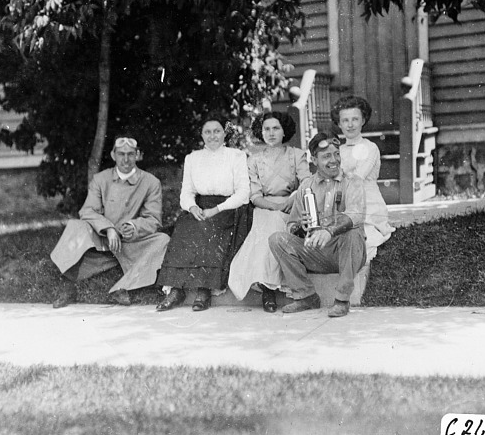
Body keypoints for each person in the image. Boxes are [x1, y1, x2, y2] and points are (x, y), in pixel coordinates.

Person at [50, 137, 170, 308]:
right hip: (103, 237)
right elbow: (88, 210)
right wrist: (108, 228)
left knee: (162, 239)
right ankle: (67, 283)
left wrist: (134, 226)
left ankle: (123, 287)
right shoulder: (101, 179)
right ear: (113, 155)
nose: (126, 159)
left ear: (138, 155)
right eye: (121, 154)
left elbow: (153, 219)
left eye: (130, 154)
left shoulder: (151, 182)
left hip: (130, 240)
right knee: (76, 225)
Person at [155, 113, 250, 312]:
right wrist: (192, 207)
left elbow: (243, 193)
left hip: (228, 208)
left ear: (225, 133)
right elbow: (186, 192)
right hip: (200, 207)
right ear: (201, 134)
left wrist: (217, 209)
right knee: (186, 227)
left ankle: (204, 289)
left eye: (217, 131)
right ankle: (175, 290)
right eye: (207, 132)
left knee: (209, 229)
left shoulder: (237, 156)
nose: (212, 136)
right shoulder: (193, 158)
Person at [269, 132, 366, 318]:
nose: (334, 160)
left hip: (347, 252)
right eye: (326, 156)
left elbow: (356, 215)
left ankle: (342, 299)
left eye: (336, 154)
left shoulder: (353, 181)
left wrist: (329, 231)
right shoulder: (306, 186)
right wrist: (300, 227)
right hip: (318, 253)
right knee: (277, 240)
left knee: (352, 232)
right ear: (313, 159)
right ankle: (306, 296)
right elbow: (291, 225)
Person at [228, 111, 310, 312]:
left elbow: (307, 181)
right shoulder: (254, 160)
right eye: (267, 129)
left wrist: (292, 199)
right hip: (265, 207)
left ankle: (268, 287)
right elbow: (254, 196)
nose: (271, 133)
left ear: (284, 131)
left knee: (274, 223)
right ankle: (267, 287)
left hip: (293, 205)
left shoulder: (297, 155)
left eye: (276, 128)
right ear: (261, 132)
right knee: (268, 221)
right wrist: (274, 207)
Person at [331, 96, 395, 258]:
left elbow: (357, 178)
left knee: (363, 242)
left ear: (363, 121)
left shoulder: (369, 147)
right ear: (339, 123)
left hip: (368, 205)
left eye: (355, 119)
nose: (350, 125)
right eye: (345, 120)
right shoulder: (338, 150)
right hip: (344, 203)